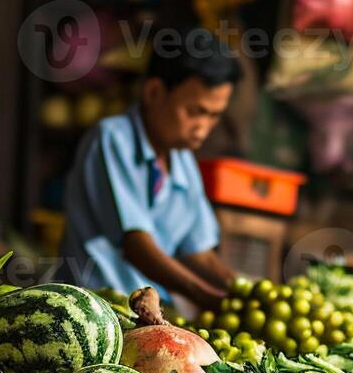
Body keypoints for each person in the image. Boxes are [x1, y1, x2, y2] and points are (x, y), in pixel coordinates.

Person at [59, 29, 240, 309]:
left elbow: (199, 252)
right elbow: (136, 245)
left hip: (151, 308)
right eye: (195, 112)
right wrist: (203, 294)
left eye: (214, 116)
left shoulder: (182, 161)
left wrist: (242, 290)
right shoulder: (111, 139)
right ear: (154, 92)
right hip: (98, 307)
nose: (203, 128)